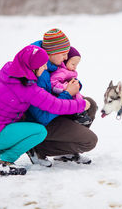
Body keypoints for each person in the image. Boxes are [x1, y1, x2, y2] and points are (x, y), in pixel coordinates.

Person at [0, 45, 88, 176]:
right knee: (38, 132)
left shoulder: (3, 72)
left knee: (25, 127)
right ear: (33, 68)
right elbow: (55, 105)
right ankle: (5, 162)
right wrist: (81, 105)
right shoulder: (27, 88)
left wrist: (2, 112)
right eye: (43, 65)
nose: (45, 68)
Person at [26, 28, 98, 166]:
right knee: (89, 141)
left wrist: (74, 85)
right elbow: (42, 114)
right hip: (41, 121)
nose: (66, 58)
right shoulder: (38, 70)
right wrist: (67, 94)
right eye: (64, 54)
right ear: (52, 52)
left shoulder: (52, 63)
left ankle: (67, 152)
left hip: (53, 111)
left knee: (90, 104)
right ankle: (37, 148)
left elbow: (60, 81)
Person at [50, 46, 93, 125]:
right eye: (73, 64)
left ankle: (82, 114)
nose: (75, 67)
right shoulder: (61, 72)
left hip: (72, 93)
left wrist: (77, 84)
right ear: (65, 62)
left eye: (76, 65)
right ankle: (78, 115)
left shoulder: (69, 71)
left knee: (86, 101)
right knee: (75, 103)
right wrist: (66, 87)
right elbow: (53, 83)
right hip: (64, 95)